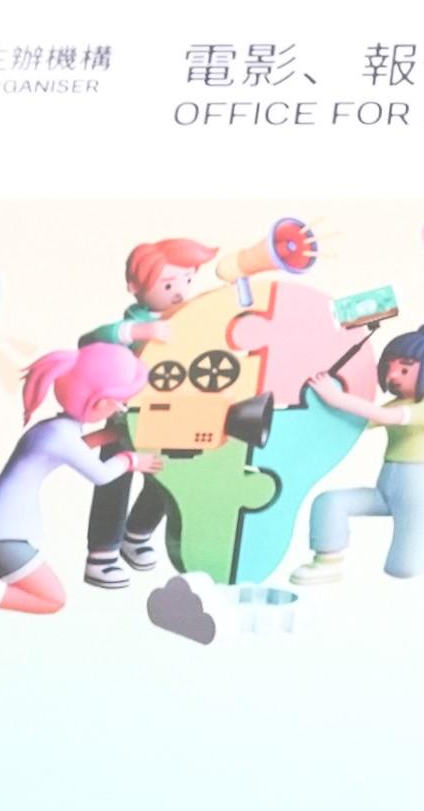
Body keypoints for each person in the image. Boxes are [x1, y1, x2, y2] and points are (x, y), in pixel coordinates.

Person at [79, 224, 320, 585]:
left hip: (179, 416)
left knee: (171, 476)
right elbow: (89, 341)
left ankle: (137, 533)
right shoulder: (133, 325)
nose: (179, 293)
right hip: (124, 417)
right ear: (135, 287)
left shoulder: (191, 315)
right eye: (167, 285)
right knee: (114, 480)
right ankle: (101, 552)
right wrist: (137, 333)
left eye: (186, 281)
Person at [0, 343, 152, 633]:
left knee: (42, 594)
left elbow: (70, 450)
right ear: (98, 401)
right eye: (119, 402)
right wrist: (131, 459)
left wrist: (106, 436)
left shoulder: (53, 430)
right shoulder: (60, 436)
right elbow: (102, 475)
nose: (120, 408)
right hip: (2, 535)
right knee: (51, 599)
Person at [290, 324, 424, 582]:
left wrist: (335, 397)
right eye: (390, 367)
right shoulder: (402, 402)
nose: (393, 376)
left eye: (404, 368)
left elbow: (381, 415)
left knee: (402, 568)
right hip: (386, 487)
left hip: (415, 491)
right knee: (330, 502)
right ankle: (328, 560)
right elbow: (362, 424)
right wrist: (316, 416)